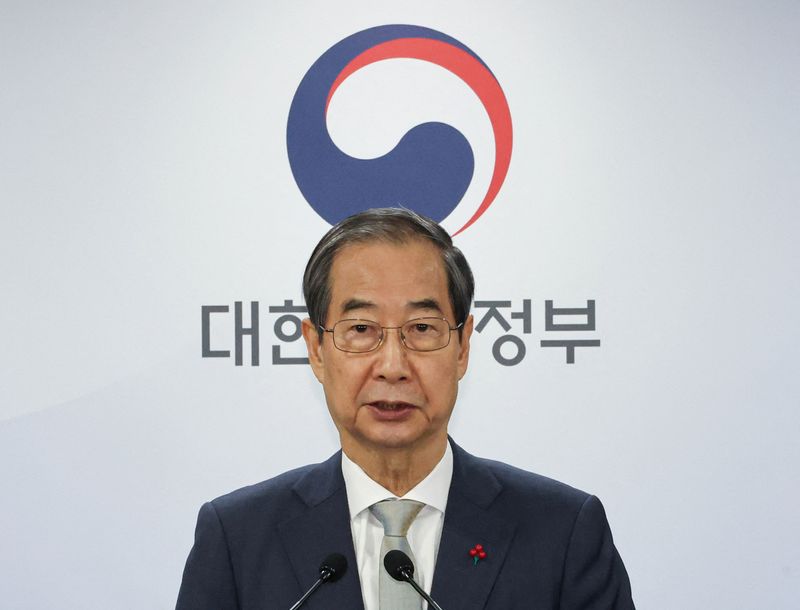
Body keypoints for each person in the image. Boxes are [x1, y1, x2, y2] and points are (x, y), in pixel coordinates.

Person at [176, 208, 635, 609]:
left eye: (421, 327)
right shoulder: (238, 540)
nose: (393, 366)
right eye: (360, 328)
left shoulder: (563, 533)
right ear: (316, 349)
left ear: (461, 348)